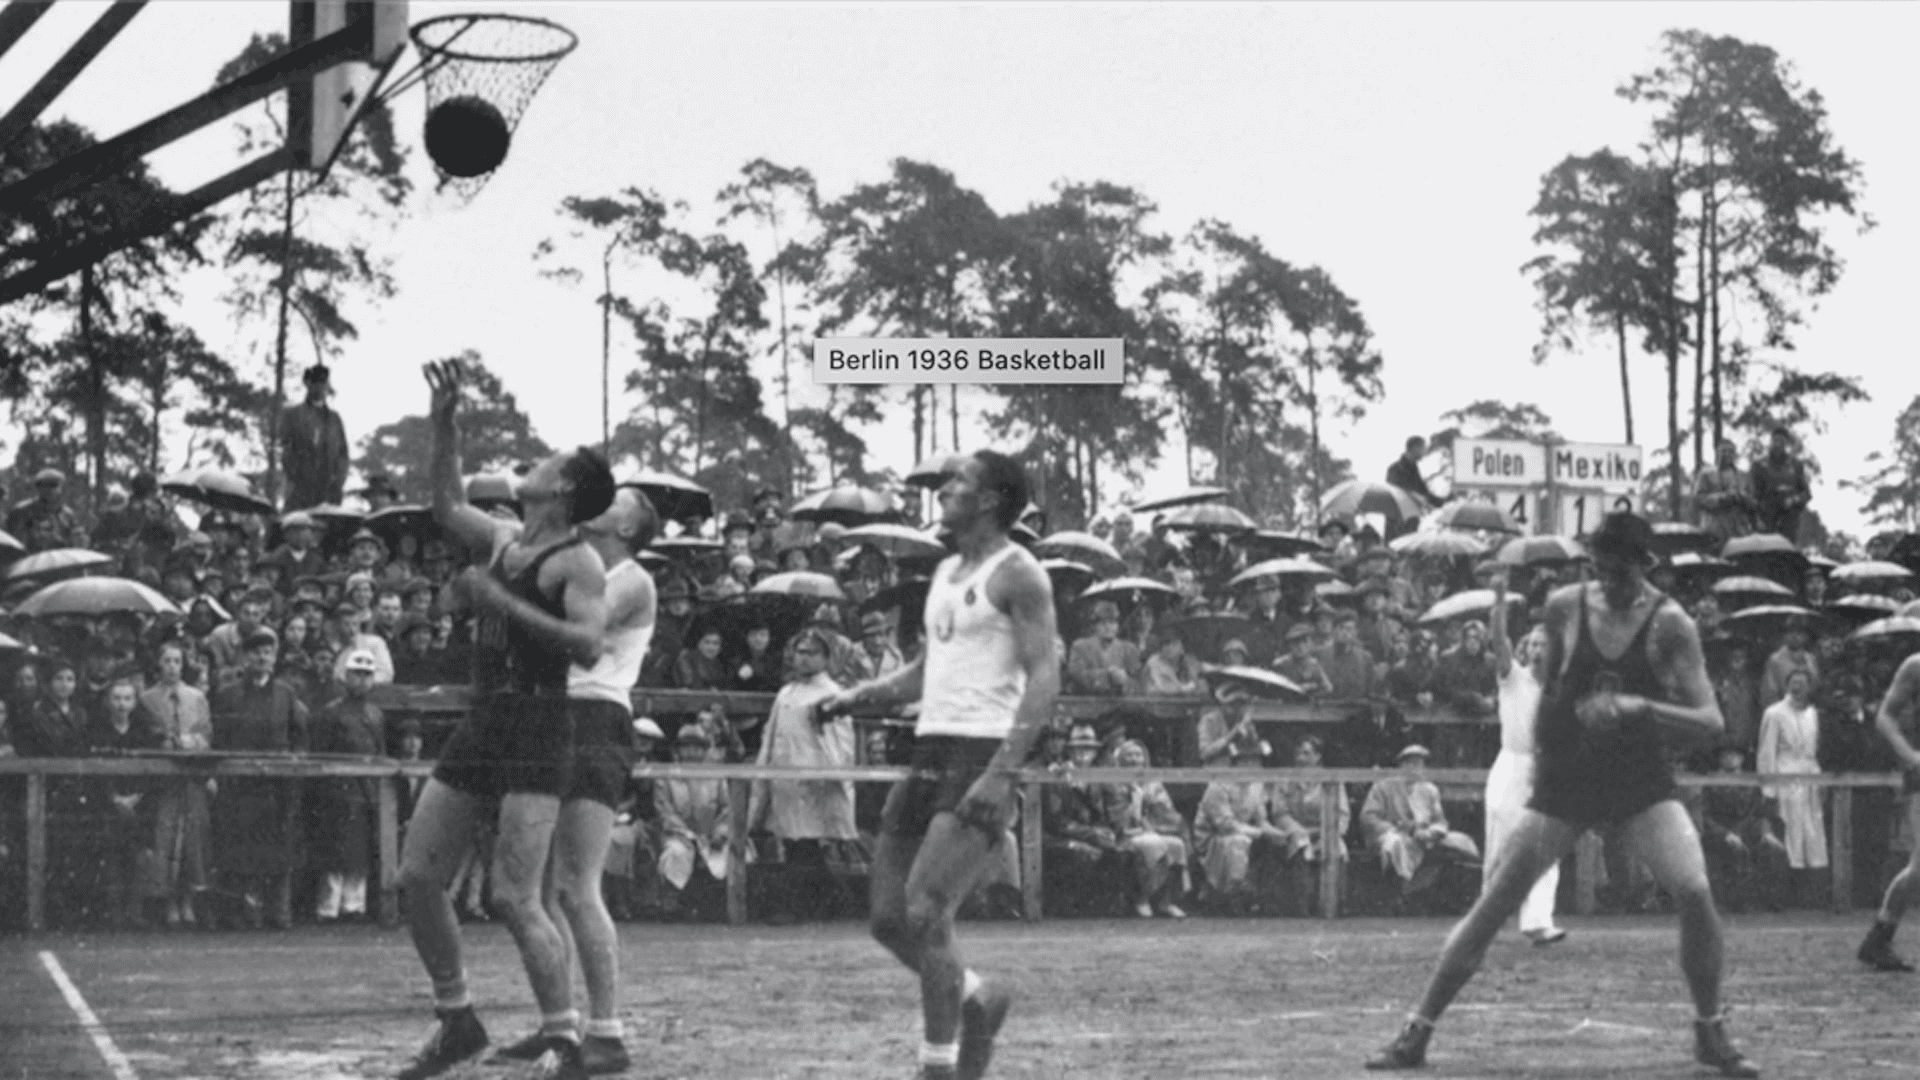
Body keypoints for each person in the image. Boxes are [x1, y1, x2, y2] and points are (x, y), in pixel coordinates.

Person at [1366, 512, 1757, 1077]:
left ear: (1646, 568)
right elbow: (1552, 695)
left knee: (1695, 889)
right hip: (1569, 777)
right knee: (1495, 901)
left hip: (1636, 776)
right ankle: (1416, 1032)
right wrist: (1554, 758)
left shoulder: (1671, 624)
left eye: (1621, 575)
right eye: (1600, 571)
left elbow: (1711, 720)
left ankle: (1709, 1028)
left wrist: (1641, 708)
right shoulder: (1565, 605)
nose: (1610, 585)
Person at [394, 358, 614, 1080]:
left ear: (566, 489)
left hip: (541, 726)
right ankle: (457, 1019)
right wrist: (445, 427)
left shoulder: (577, 564)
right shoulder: (501, 539)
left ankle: (565, 1038)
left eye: (547, 461)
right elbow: (444, 505)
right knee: (416, 877)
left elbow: (589, 646)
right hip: (487, 720)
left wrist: (502, 605)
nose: (533, 463)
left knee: (515, 897)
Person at [814, 449, 1058, 1080]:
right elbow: (930, 669)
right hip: (930, 746)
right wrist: (862, 694)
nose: (945, 490)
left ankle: (939, 1067)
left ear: (991, 500)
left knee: (928, 912)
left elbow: (1044, 678)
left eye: (959, 483)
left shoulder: (1020, 573)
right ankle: (978, 995)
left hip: (981, 751)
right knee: (888, 920)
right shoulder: (948, 570)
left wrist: (1002, 771)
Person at [491, 484, 657, 1073]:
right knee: (541, 890)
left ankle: (606, 1032)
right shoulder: (579, 565)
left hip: (595, 717)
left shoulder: (633, 578)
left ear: (631, 529)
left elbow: (569, 631)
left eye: (622, 501)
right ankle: (561, 1025)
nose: (605, 501)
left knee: (577, 885)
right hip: (554, 713)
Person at [750, 627, 858, 923]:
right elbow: (772, 735)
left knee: (805, 841)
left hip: (814, 779)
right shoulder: (786, 692)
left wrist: (830, 771)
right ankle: (833, 903)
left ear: (826, 658)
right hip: (784, 777)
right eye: (800, 652)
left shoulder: (833, 694)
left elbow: (842, 743)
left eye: (813, 653)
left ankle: (803, 906)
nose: (805, 659)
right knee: (793, 842)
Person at [1483, 569, 1564, 944]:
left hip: (1547, 767)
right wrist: (1499, 601)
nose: (1536, 649)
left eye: (1544, 644)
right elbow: (1499, 640)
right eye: (1531, 644)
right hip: (1511, 765)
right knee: (1503, 843)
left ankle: (1538, 921)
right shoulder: (1512, 676)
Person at [210, 627, 309, 930]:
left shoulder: (286, 694)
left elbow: (299, 737)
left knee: (278, 850)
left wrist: (294, 766)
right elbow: (219, 739)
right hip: (239, 786)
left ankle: (277, 912)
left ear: (275, 657)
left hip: (276, 786)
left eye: (268, 653)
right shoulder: (228, 694)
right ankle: (240, 912)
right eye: (256, 652)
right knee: (239, 848)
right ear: (245, 657)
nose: (262, 658)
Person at [140, 642, 213, 928]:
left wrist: (192, 742)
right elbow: (145, 734)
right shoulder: (147, 699)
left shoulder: (196, 697)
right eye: (167, 660)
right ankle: (169, 902)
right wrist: (164, 741)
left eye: (177, 661)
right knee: (167, 840)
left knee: (193, 840)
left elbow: (207, 734)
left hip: (192, 779)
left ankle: (188, 902)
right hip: (165, 782)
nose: (172, 666)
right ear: (159, 664)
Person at [309, 651, 385, 923]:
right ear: (346, 677)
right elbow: (319, 753)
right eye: (357, 674)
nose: (362, 680)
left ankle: (354, 904)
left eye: (367, 675)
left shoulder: (376, 714)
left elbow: (380, 752)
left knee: (360, 851)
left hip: (366, 790)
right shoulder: (331, 713)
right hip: (336, 791)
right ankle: (328, 906)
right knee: (334, 851)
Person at [1856, 652, 1920, 972]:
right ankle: (1880, 936)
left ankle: (1879, 938)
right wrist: (1908, 754)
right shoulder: (1915, 665)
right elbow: (1884, 716)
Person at [1361, 745, 1480, 902]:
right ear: (1401, 766)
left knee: (1461, 842)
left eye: (1419, 763)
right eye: (1409, 763)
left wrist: (1430, 832)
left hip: (1424, 837)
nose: (1415, 768)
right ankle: (1399, 894)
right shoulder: (1383, 788)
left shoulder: (1430, 790)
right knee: (1394, 843)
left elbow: (1439, 821)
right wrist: (1394, 829)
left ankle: (1449, 894)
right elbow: (1368, 817)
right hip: (1395, 834)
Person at [1757, 668, 1828, 906]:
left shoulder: (1813, 714)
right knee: (1790, 833)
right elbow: (1766, 753)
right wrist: (1769, 790)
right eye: (1793, 683)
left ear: (1810, 687)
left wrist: (1820, 781)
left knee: (1812, 834)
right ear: (1786, 685)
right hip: (1786, 779)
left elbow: (1815, 750)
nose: (1798, 688)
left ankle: (1811, 896)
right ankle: (1784, 895)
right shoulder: (1774, 713)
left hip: (1810, 778)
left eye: (1803, 683)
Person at [1101, 739, 1191, 919]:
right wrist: (1136, 801)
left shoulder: (1154, 783)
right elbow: (1118, 821)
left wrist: (1150, 807)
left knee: (1176, 845)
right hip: (1126, 834)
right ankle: (1142, 898)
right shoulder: (1114, 784)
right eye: (1129, 755)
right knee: (1151, 844)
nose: (1134, 759)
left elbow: (1167, 813)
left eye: (1138, 755)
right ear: (1120, 761)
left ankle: (1166, 901)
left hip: (1153, 830)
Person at [1268, 735, 1350, 917]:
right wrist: (1300, 831)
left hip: (1326, 829)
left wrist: (1329, 833)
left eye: (1306, 753)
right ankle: (1303, 906)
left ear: (1317, 757)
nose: (1301, 758)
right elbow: (1279, 813)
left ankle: (1337, 904)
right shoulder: (1285, 779)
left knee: (1338, 847)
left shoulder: (1331, 780)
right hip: (1297, 831)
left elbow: (1342, 813)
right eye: (1298, 753)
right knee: (1301, 844)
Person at [280, 364, 351, 511]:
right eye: (316, 383)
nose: (321, 388)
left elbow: (343, 453)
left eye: (324, 383)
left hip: (330, 492)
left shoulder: (334, 419)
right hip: (301, 491)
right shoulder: (293, 415)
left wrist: (338, 480)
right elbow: (286, 451)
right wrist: (297, 476)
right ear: (308, 384)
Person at [1065, 600, 1139, 696]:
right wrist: (1108, 675)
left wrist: (1125, 681)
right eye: (1103, 623)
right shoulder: (1080, 647)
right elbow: (1077, 675)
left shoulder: (1129, 649)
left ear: (1118, 625)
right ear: (1095, 626)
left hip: (1121, 707)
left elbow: (1138, 685)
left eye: (1112, 622)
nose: (1108, 627)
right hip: (1088, 705)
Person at [1750, 427, 1811, 540]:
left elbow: (1806, 494)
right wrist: (1757, 518)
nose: (1778, 444)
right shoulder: (1759, 465)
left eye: (1782, 441)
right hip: (1766, 517)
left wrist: (1793, 500)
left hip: (1788, 518)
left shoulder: (1796, 465)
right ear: (1771, 441)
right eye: (1775, 440)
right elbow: (1753, 495)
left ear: (1786, 444)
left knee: (1786, 553)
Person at [1693, 439, 1756, 543]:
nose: (1727, 454)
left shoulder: (1743, 476)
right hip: (1714, 528)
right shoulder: (1706, 474)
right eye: (1723, 451)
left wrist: (1742, 497)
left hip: (1739, 529)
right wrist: (1722, 498)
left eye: (1730, 451)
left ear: (1735, 454)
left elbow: (1753, 502)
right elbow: (1698, 499)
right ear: (1718, 453)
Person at [1385, 436, 1439, 509]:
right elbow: (1393, 492)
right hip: (1397, 517)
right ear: (1415, 448)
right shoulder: (1394, 469)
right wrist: (1414, 495)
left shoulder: (1414, 468)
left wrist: (1447, 500)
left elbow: (1424, 493)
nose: (1424, 451)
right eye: (1423, 448)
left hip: (1414, 516)